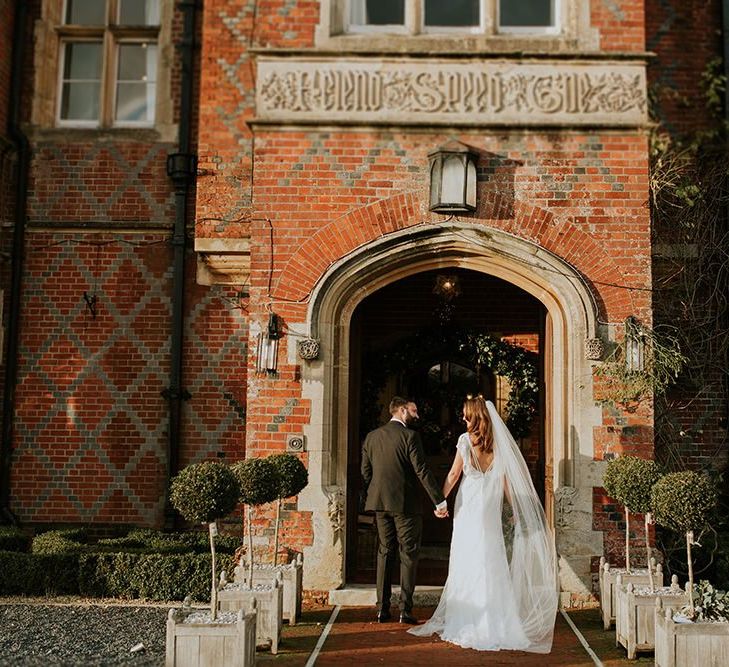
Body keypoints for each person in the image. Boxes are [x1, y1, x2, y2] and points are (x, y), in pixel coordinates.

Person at [409, 395, 558, 652]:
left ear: (474, 417)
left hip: (470, 506)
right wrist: (513, 508)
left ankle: (470, 618)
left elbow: (454, 474)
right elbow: (506, 483)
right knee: (492, 556)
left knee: (467, 556)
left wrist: (440, 501)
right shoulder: (497, 444)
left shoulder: (466, 441)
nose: (463, 418)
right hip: (489, 507)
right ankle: (498, 620)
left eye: (466, 414)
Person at [361, 396, 448, 624]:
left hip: (380, 503)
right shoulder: (410, 436)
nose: (417, 415)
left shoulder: (372, 437)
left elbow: (366, 472)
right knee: (408, 554)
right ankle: (405, 611)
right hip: (405, 505)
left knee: (384, 551)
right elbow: (422, 470)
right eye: (413, 410)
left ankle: (382, 609)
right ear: (401, 410)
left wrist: (377, 492)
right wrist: (439, 501)